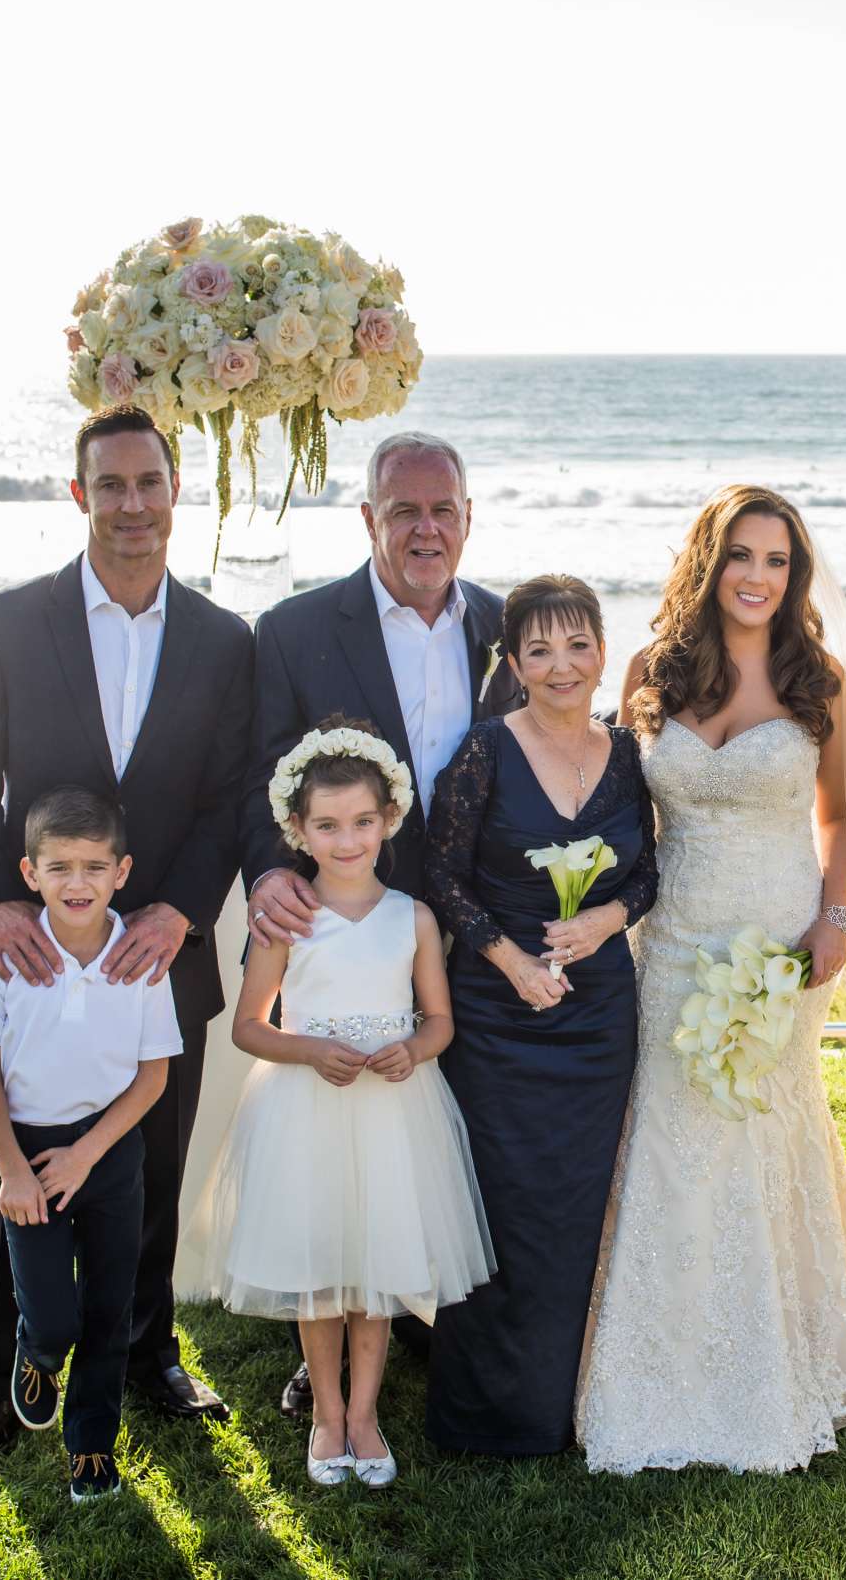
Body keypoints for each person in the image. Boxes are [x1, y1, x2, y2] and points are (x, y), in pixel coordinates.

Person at [0, 405, 252, 1459]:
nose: (131, 504)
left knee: (151, 1167)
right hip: (40, 955)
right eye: (108, 485)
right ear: (79, 496)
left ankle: (152, 1352)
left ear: (175, 492)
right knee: (14, 1161)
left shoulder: (222, 638)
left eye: (148, 483)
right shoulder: (6, 622)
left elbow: (232, 798)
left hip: (161, 958)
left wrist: (182, 908)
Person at [578, 486, 846, 1473]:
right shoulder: (653, 670)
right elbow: (615, 807)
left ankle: (784, 1354)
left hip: (778, 944)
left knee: (766, 1129)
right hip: (673, 938)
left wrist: (835, 919)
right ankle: (651, 1360)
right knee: (669, 1129)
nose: (758, 576)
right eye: (742, 556)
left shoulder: (821, 679)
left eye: (777, 560)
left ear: (796, 575)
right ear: (709, 563)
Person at [238, 430, 520, 1417]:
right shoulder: (297, 631)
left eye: (444, 509)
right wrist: (271, 873)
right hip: (344, 928)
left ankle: (445, 1324)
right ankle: (330, 1348)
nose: (426, 528)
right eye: (405, 511)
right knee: (337, 1143)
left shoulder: (507, 628)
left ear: (470, 517)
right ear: (368, 520)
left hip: (473, 936)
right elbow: (260, 781)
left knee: (444, 1134)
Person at [197, 719, 492, 1488]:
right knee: (321, 1270)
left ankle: (366, 1413)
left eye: (363, 822)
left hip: (395, 1114)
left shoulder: (413, 917)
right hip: (308, 1111)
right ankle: (325, 1413)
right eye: (326, 825)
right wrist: (310, 1049)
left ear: (389, 819)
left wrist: (414, 1048)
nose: (347, 839)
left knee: (377, 1269)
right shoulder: (286, 920)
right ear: (296, 829)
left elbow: (439, 1020)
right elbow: (249, 1027)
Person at [423, 576, 658, 1454]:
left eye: (577, 645)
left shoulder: (629, 753)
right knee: (498, 1202)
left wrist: (606, 919)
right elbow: (440, 876)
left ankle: (567, 1403)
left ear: (603, 649)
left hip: (596, 1019)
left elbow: (649, 870)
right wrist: (508, 958)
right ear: (513, 663)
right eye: (539, 650)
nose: (561, 666)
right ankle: (484, 1412)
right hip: (495, 1016)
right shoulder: (487, 750)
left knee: (576, 1208)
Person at [0, 787, 180, 1504]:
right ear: (29, 874)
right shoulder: (5, 955)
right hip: (28, 1153)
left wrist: (89, 1153)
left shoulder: (143, 957)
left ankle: (91, 1443)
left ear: (123, 872)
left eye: (94, 867)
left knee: (110, 1308)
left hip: (110, 1150)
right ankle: (37, 1352)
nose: (77, 884)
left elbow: (153, 1075)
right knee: (54, 1314)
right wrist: (13, 1170)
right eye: (59, 868)